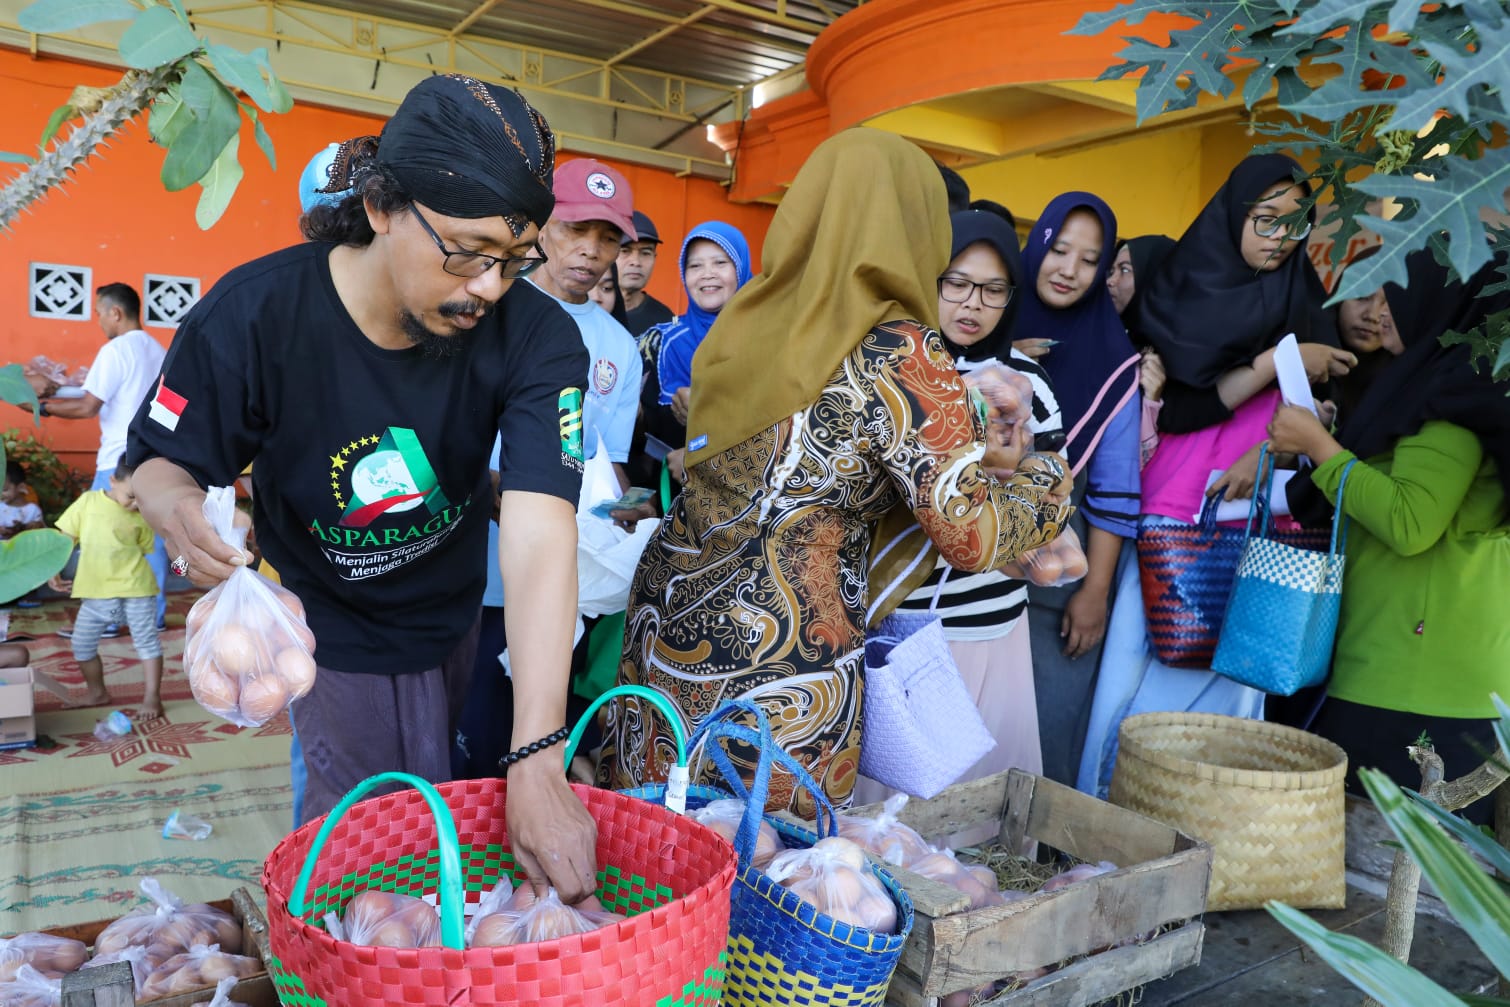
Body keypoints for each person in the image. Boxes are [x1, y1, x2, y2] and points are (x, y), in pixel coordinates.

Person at [124, 74, 598, 901]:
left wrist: (537, 755)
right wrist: (177, 510)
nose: (488, 285)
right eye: (465, 251)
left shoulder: (538, 335)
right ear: (381, 206)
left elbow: (539, 528)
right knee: (357, 854)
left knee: (446, 817)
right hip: (322, 624)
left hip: (450, 611)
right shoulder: (253, 315)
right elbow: (159, 464)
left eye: (514, 261)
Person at [596, 129, 1074, 813]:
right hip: (785, 663)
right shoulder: (899, 352)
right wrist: (1047, 479)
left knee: (658, 849)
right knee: (766, 878)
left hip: (666, 625)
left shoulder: (746, 321)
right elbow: (970, 535)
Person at [1077, 153, 1355, 798]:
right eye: (1266, 220)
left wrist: (1281, 446)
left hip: (1263, 519)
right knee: (1140, 689)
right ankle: (1104, 825)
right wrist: (1278, 361)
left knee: (1231, 699)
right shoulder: (1180, 285)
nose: (1281, 239)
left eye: (1296, 224)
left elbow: (1324, 419)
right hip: (1175, 513)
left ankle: (1203, 837)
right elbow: (1179, 406)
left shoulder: (1304, 295)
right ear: (1235, 214)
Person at [1274, 249, 1510, 824]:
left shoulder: (1452, 403)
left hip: (1416, 679)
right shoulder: (1440, 389)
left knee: (1387, 888)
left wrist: (1319, 447)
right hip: (1410, 666)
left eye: (1397, 295)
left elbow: (1410, 522)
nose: (1382, 311)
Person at [452, 157, 643, 778]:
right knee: (473, 737)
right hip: (473, 573)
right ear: (539, 228)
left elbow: (606, 461)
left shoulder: (618, 345)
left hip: (567, 579)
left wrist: (622, 518)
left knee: (540, 740)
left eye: (608, 236)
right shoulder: (484, 310)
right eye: (573, 230)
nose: (590, 251)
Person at [872, 207, 1065, 799]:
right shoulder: (891, 370)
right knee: (895, 813)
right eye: (955, 282)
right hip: (901, 623)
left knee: (981, 813)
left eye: (992, 289)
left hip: (991, 622)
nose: (972, 304)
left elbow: (1053, 491)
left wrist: (1013, 466)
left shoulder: (1027, 381)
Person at [1006, 192, 1143, 789]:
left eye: (1090, 260)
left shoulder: (1114, 361)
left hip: (1056, 576)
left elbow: (1113, 493)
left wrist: (1095, 593)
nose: (1068, 269)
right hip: (969, 562)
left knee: (1045, 727)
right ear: (1036, 246)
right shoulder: (989, 322)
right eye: (1059, 249)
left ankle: (1033, 866)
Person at [30, 284, 169, 627]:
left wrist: (39, 408)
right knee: (154, 540)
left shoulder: (115, 350)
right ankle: (153, 617)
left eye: (98, 313)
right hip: (156, 460)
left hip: (117, 462)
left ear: (116, 313)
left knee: (100, 536)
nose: (98, 321)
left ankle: (106, 619)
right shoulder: (161, 350)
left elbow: (88, 406)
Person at [637, 221, 753, 486]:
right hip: (676, 496)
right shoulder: (664, 342)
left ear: (741, 267)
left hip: (746, 491)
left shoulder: (768, 336)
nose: (706, 274)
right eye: (695, 265)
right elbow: (652, 435)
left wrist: (701, 446)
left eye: (720, 263)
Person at [48, 462, 164, 718]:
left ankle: (152, 697)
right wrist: (52, 569)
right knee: (81, 645)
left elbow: (144, 549)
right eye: (131, 496)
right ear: (112, 481)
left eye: (141, 499)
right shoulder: (88, 502)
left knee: (146, 642)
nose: (135, 504)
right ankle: (96, 691)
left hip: (136, 590)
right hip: (96, 594)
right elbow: (65, 536)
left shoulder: (142, 515)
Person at [617, 210, 674, 337]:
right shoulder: (584, 310)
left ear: (655, 257)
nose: (636, 262)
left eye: (645, 253)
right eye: (625, 251)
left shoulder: (664, 322)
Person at [0, 463, 44, 538]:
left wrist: (37, 525)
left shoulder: (33, 510)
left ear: (21, 487)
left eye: (5, 490)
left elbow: (43, 533)